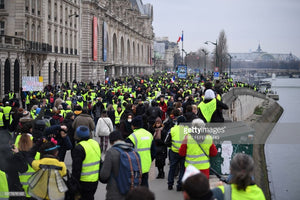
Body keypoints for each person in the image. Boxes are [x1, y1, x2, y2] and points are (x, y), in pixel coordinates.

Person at [99, 131, 134, 200]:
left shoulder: (111, 152)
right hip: (131, 189)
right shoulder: (132, 151)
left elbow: (104, 176)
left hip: (115, 192)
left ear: (111, 141)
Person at [71, 126, 101, 200]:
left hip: (83, 181)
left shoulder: (79, 148)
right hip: (95, 180)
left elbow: (76, 169)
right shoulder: (95, 143)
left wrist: (74, 183)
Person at [127, 116, 156, 187]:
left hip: (135, 166)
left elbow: (127, 153)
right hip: (146, 164)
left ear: (133, 126)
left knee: (135, 186)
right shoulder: (149, 134)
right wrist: (149, 159)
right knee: (144, 183)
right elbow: (154, 151)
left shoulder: (132, 137)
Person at [165, 115, 186, 191]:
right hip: (184, 152)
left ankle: (170, 184)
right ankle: (180, 185)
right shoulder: (188, 130)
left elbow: (166, 141)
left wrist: (171, 145)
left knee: (172, 168)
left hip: (174, 151)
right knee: (182, 169)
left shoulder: (172, 129)